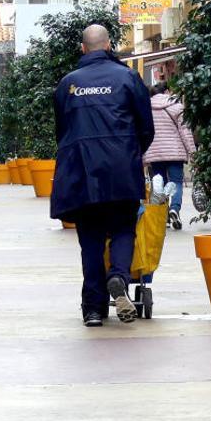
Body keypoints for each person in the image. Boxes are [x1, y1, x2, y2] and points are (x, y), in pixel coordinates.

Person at [51, 25, 155, 327]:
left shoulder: (68, 84)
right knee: (124, 228)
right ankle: (119, 278)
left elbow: (62, 131)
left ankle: (93, 310)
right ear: (109, 45)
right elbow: (145, 127)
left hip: (82, 172)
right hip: (121, 168)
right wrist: (131, 152)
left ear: (83, 49)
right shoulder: (127, 77)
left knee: (91, 240)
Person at [144, 82, 194, 230]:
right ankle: (175, 208)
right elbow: (185, 132)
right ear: (167, 91)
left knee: (159, 183)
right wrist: (192, 152)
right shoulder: (177, 107)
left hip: (155, 153)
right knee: (176, 181)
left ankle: (163, 215)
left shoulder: (146, 109)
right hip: (174, 152)